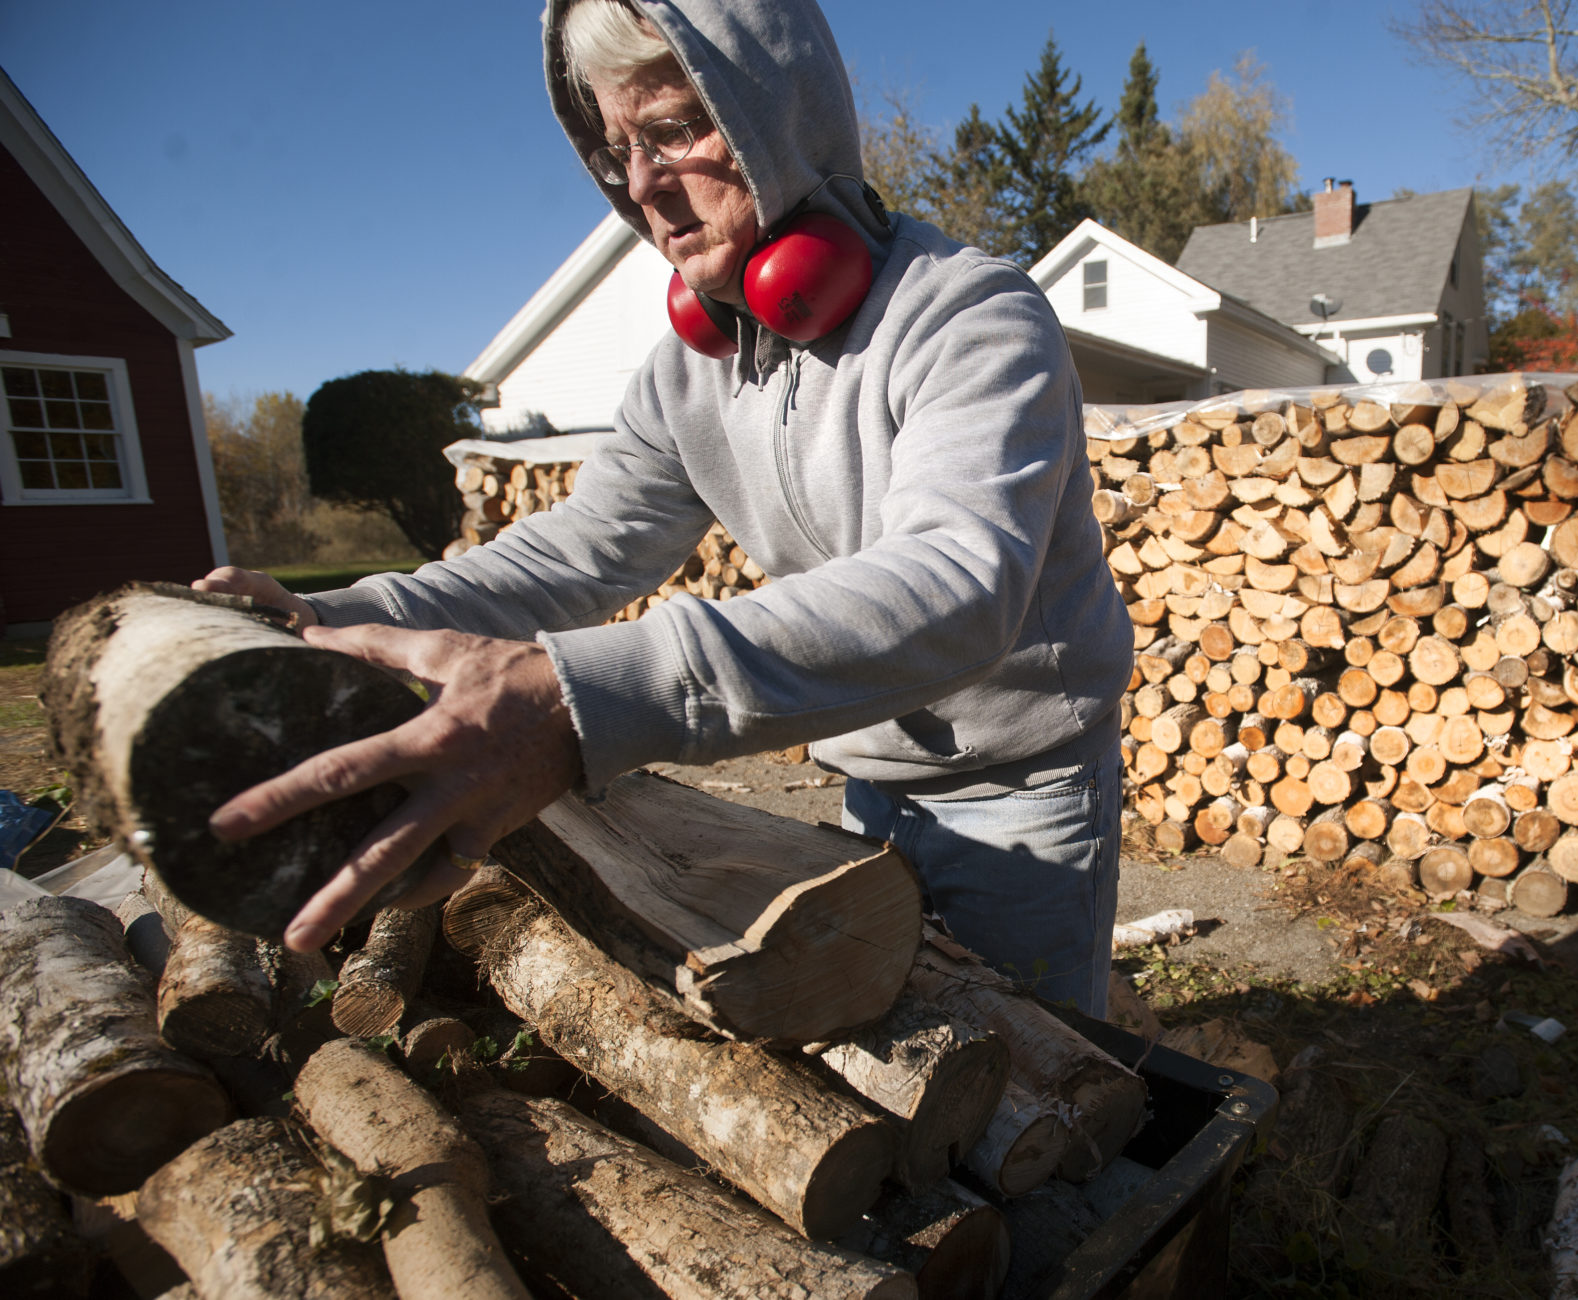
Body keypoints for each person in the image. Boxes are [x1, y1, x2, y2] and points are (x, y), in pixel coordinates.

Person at [196, 0, 1131, 1014]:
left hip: (1021, 789)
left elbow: (956, 583)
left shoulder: (969, 316)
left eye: (675, 130)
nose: (641, 183)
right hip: (866, 782)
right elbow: (575, 551)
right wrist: (338, 617)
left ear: (780, 117)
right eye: (617, 151)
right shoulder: (689, 371)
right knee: (923, 1057)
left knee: (1054, 1098)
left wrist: (570, 702)